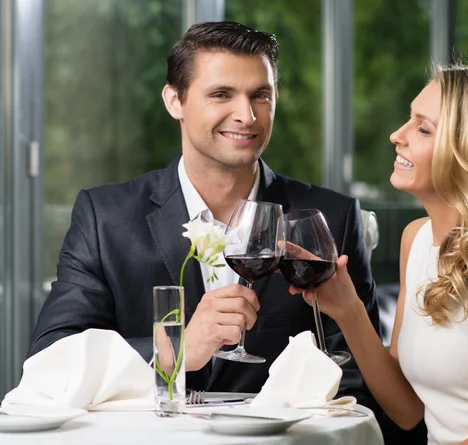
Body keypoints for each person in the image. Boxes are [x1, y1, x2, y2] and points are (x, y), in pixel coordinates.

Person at [28, 21, 380, 408]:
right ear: (174, 101)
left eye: (260, 95)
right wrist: (177, 348)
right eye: (221, 94)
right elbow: (51, 359)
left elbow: (356, 375)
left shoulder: (334, 215)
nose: (246, 115)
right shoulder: (104, 217)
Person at [295, 65, 468, 444]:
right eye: (409, 121)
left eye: (423, 128)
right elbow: (407, 410)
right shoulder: (416, 239)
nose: (397, 136)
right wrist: (347, 310)